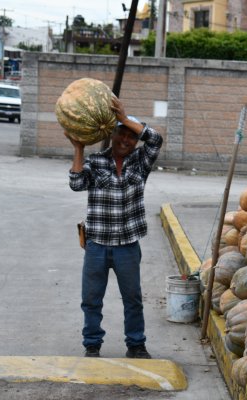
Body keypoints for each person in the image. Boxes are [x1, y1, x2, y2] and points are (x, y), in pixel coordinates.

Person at [65, 96, 163, 358]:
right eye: (122, 134)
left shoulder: (141, 162)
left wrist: (124, 117)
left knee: (133, 299)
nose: (126, 141)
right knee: (91, 299)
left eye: (131, 137)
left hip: (128, 246)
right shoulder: (96, 162)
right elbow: (76, 184)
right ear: (113, 135)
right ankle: (92, 344)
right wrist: (79, 149)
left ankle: (136, 344)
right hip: (96, 244)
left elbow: (155, 139)